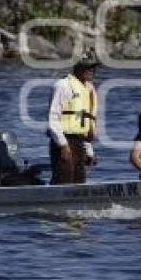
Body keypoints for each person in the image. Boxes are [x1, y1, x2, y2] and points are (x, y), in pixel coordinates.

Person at [47, 53, 99, 185]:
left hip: (80, 142)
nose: (90, 71)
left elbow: (89, 123)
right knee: (63, 180)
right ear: (77, 68)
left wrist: (88, 149)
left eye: (93, 68)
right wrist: (63, 145)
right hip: (64, 140)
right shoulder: (63, 85)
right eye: (86, 67)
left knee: (79, 182)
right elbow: (53, 117)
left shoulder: (90, 90)